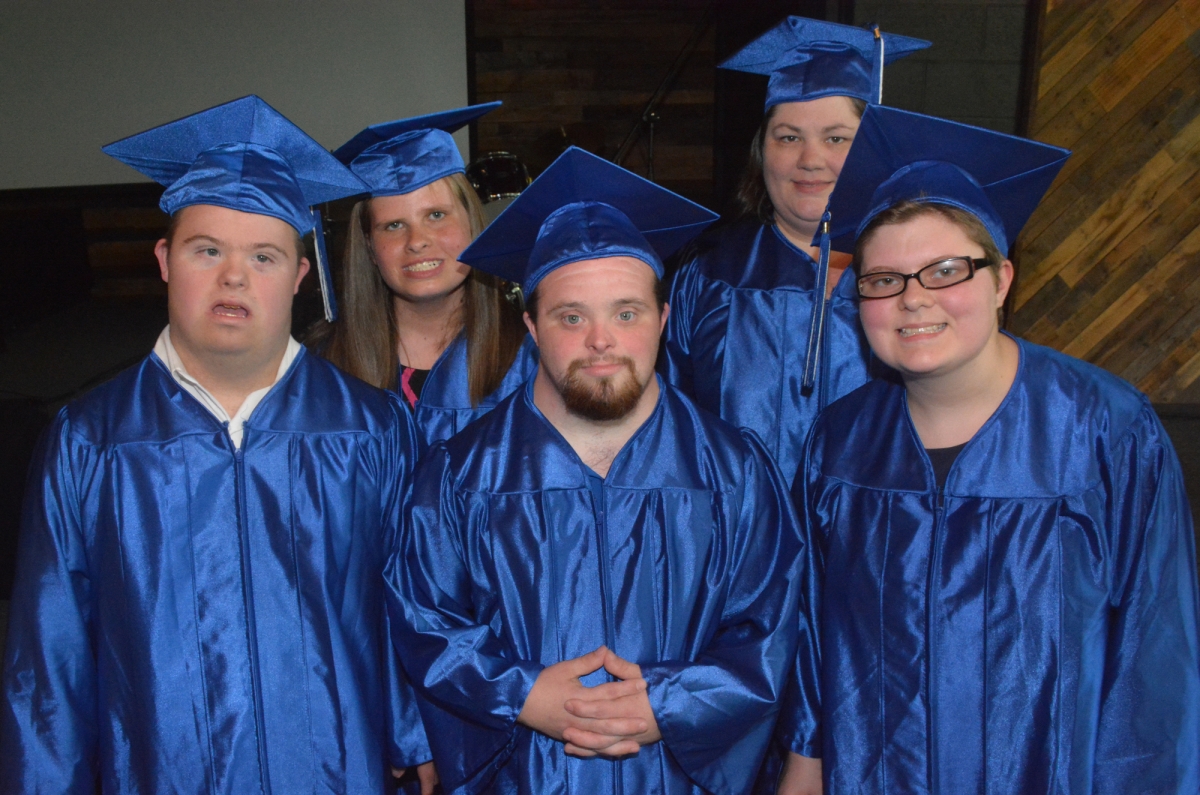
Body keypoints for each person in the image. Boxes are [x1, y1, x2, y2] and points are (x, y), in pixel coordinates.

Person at [0, 96, 432, 794]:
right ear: (166, 261)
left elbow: (411, 607)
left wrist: (417, 738)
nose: (234, 277)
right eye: (208, 250)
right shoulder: (90, 440)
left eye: (264, 256)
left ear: (298, 276)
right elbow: (49, 661)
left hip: (336, 771)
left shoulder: (372, 429)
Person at [387, 147, 818, 795]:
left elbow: (771, 627)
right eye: (570, 316)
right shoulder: (460, 474)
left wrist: (671, 703)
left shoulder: (734, 470)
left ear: (663, 320)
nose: (601, 340)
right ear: (531, 325)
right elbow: (423, 617)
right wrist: (522, 693)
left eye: (626, 311)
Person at [797, 104, 1200, 793]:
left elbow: (1152, 661)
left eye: (947, 269)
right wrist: (802, 773)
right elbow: (814, 648)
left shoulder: (1106, 430)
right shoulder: (841, 443)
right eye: (884, 280)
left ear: (1002, 279)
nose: (913, 300)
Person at [661, 17, 929, 480]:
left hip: (877, 541)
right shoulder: (707, 277)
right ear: (761, 151)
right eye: (788, 137)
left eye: (836, 138)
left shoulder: (919, 281)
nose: (810, 159)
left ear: (874, 149)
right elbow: (666, 430)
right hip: (737, 542)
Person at [310, 103, 536, 446]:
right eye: (394, 225)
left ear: (473, 223)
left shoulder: (531, 360)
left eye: (436, 215)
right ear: (370, 248)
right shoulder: (323, 367)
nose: (416, 242)